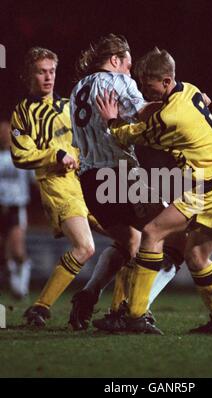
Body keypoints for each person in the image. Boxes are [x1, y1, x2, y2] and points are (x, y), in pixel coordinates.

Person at [96, 47, 212, 334]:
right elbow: (196, 102)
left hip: (211, 184)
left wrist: (112, 122)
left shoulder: (172, 115)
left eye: (148, 83)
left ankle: (135, 316)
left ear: (166, 81)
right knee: (197, 256)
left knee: (152, 233)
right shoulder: (189, 90)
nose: (143, 89)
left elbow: (133, 136)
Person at [69, 34, 186, 333]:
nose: (132, 72)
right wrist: (177, 103)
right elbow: (144, 110)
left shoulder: (77, 89)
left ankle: (89, 294)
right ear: (116, 59)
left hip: (90, 181)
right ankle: (136, 311)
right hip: (120, 176)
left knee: (131, 242)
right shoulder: (118, 83)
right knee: (175, 240)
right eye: (129, 64)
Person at [10, 47, 100, 327]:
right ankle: (40, 307)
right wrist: (55, 155)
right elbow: (20, 155)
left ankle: (118, 310)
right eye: (41, 71)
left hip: (85, 183)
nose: (48, 77)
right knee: (85, 247)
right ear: (28, 75)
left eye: (51, 71)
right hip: (57, 185)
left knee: (131, 241)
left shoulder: (68, 106)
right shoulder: (23, 113)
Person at [0, 118, 33, 298]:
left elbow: (35, 181)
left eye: (7, 132)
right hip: (1, 208)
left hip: (16, 207)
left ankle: (22, 285)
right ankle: (14, 282)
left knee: (18, 250)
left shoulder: (21, 156)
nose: (4, 135)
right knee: (4, 252)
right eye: (2, 132)